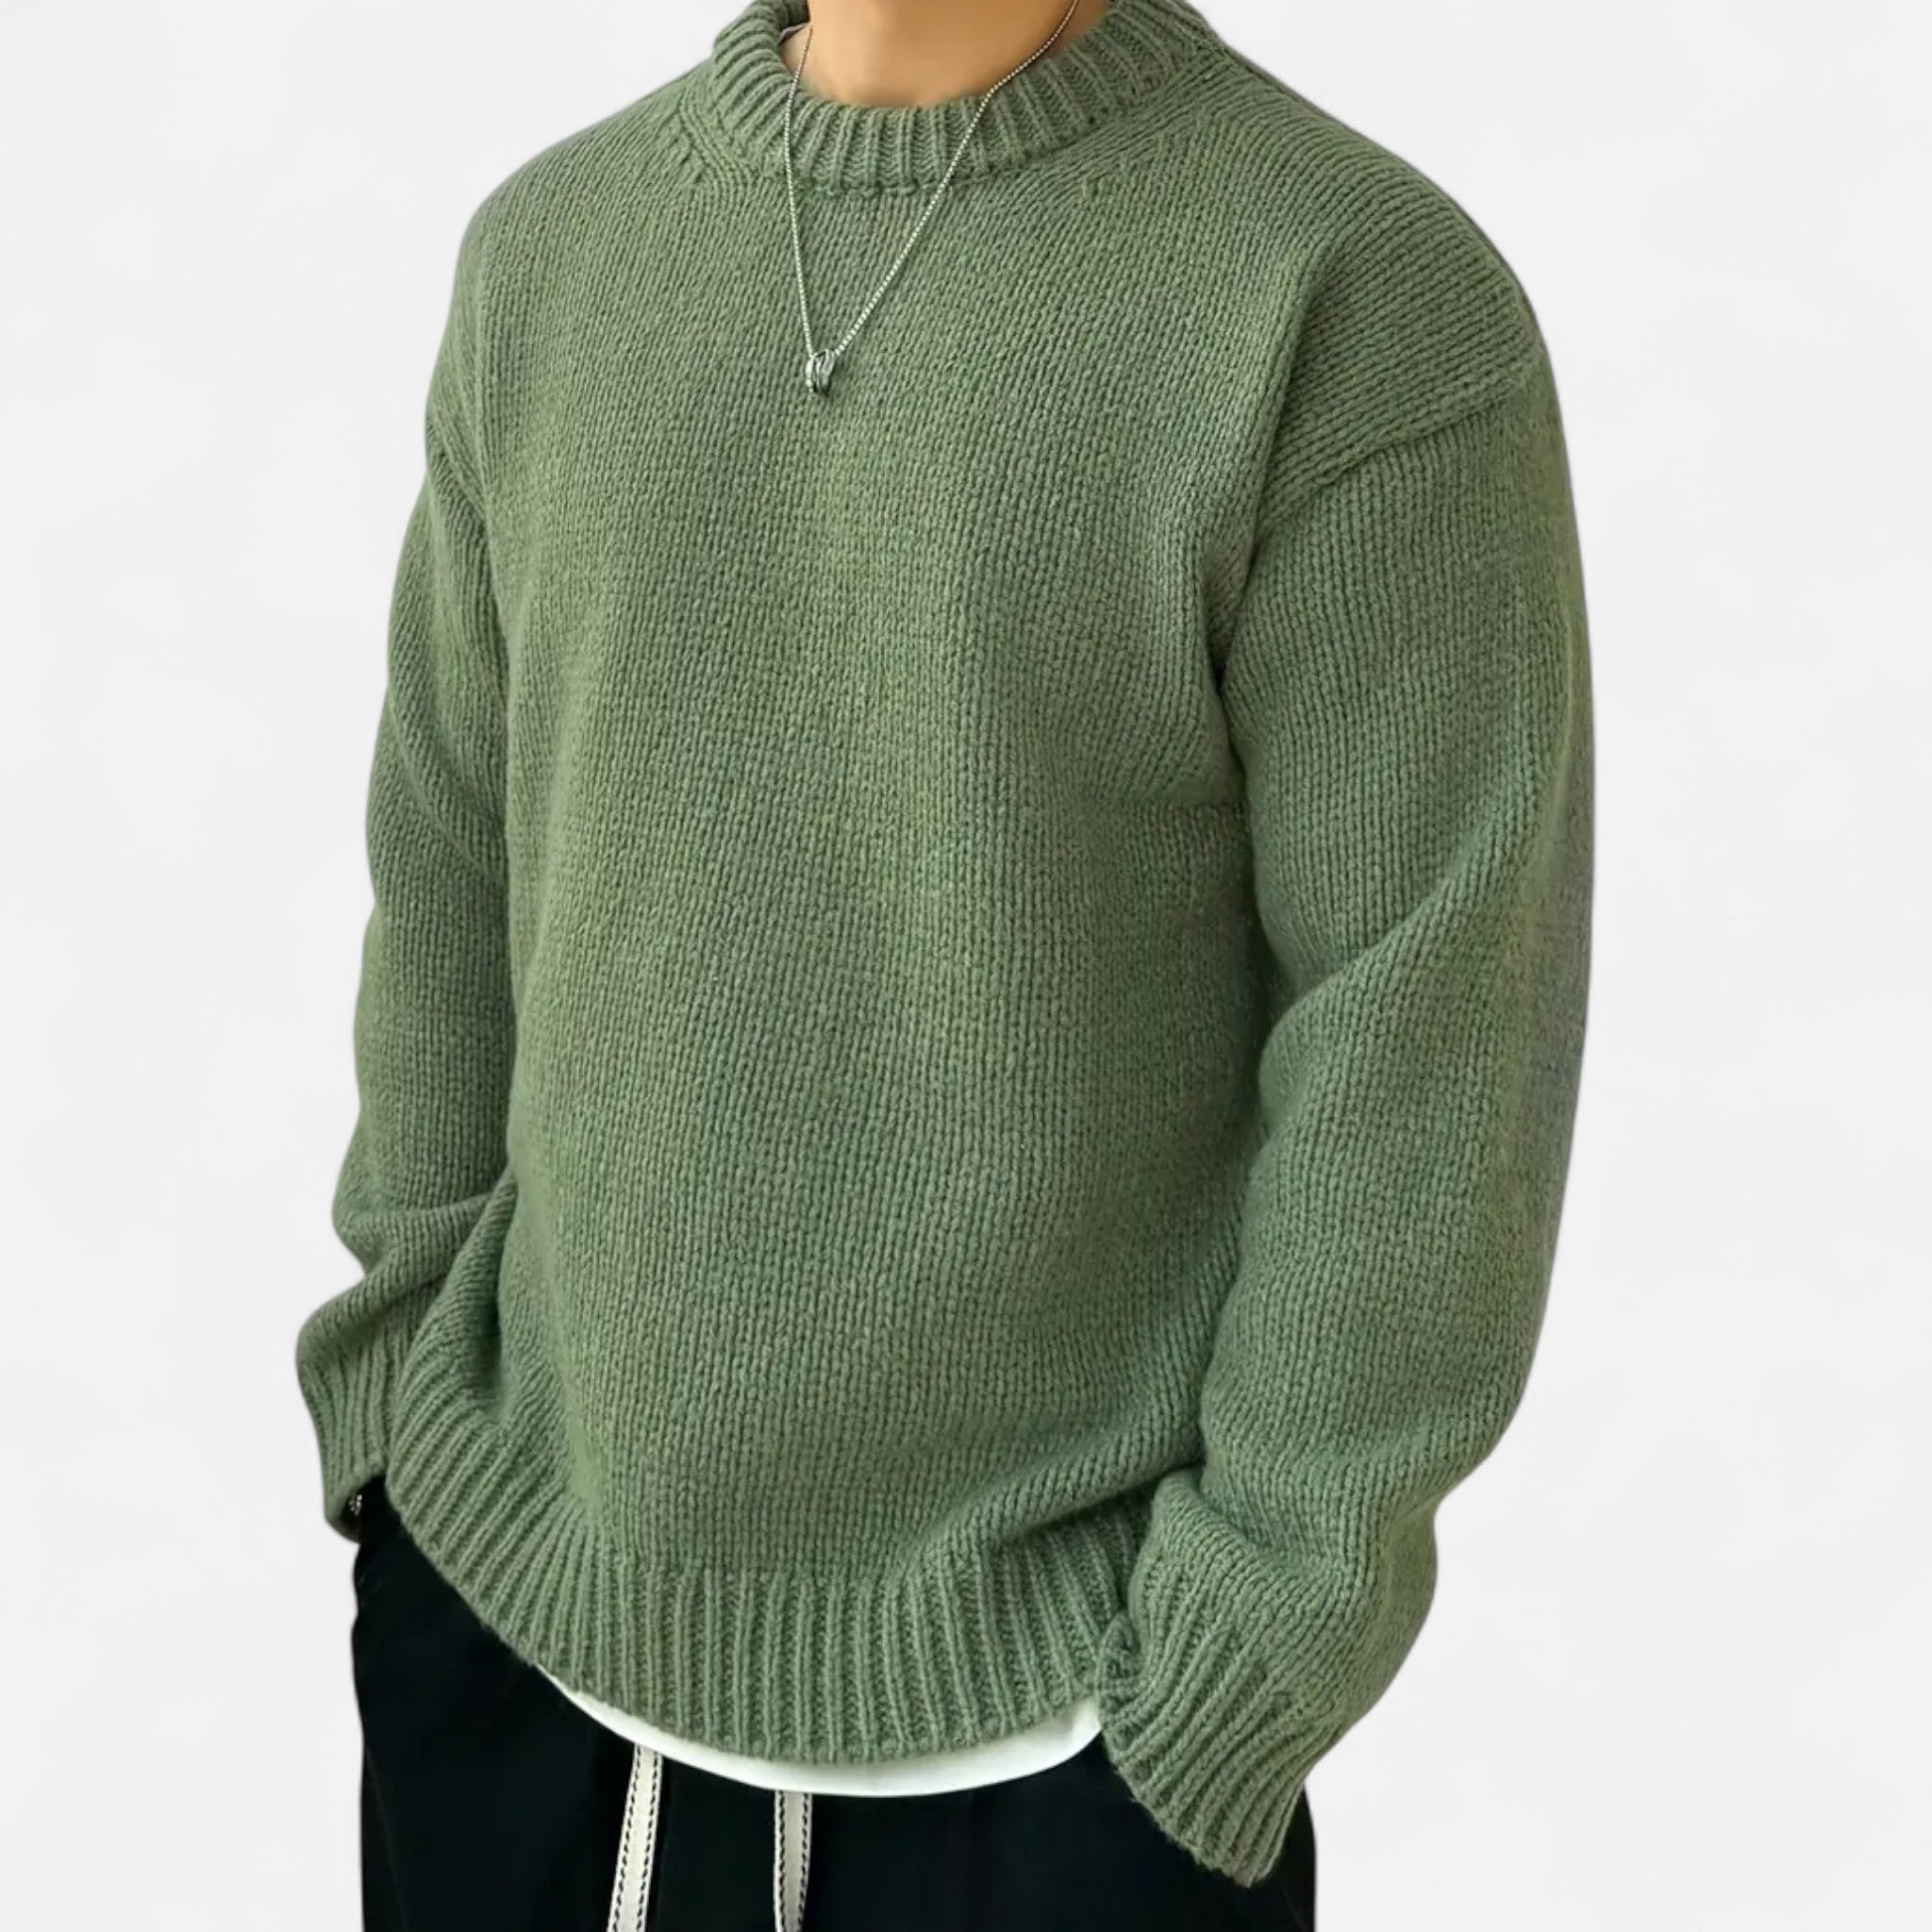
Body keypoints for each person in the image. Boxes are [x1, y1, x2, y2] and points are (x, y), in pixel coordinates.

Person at [295, 0, 1594, 1924]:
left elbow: (1428, 1029)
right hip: (507, 1658)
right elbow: (447, 864)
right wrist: (394, 1427)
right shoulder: (552, 255)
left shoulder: (1343, 295)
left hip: (1064, 1758)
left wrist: (1238, 1668)